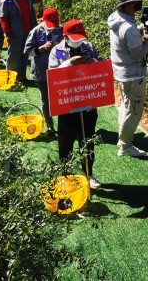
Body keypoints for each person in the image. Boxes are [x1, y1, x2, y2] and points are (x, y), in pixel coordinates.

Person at [48, 19, 102, 188]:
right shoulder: (57, 51)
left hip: (87, 102)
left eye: (80, 38)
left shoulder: (89, 48)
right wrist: (69, 63)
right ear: (65, 37)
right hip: (67, 104)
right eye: (74, 38)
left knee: (87, 139)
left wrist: (94, 63)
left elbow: (101, 70)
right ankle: (66, 175)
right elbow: (52, 75)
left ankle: (88, 173)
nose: (78, 42)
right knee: (66, 141)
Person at [108, 0, 148, 158]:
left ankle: (123, 138)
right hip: (133, 74)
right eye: (136, 2)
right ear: (128, 5)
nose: (139, 5)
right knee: (133, 110)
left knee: (126, 106)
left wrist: (142, 28)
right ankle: (125, 146)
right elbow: (137, 54)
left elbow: (128, 36)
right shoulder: (128, 27)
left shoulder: (116, 18)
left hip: (121, 72)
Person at [0, 0, 45, 83]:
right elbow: (3, 20)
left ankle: (22, 77)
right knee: (14, 56)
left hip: (27, 31)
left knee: (24, 55)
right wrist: (8, 35)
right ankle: (11, 78)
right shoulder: (6, 0)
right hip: (15, 33)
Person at [25, 7, 63, 136]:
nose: (53, 27)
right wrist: (41, 48)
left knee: (61, 99)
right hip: (41, 70)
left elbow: (68, 51)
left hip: (59, 71)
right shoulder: (36, 31)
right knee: (46, 100)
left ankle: (65, 125)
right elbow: (27, 50)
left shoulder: (62, 31)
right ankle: (50, 125)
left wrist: (58, 47)